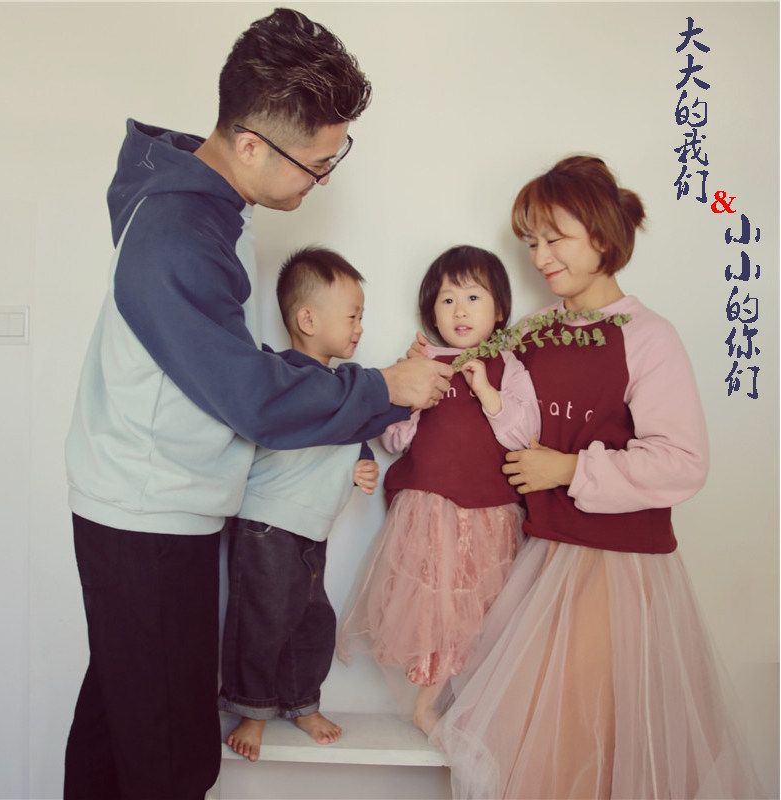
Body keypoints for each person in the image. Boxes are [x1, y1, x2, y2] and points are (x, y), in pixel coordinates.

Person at [63, 9, 452, 800]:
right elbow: (250, 397)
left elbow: (227, 367)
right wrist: (380, 388)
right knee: (171, 760)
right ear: (250, 145)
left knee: (118, 726)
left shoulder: (209, 207)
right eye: (317, 163)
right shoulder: (179, 233)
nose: (323, 180)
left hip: (148, 503)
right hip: (147, 516)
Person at [428, 156, 765, 799]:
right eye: (532, 241)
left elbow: (683, 461)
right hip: (540, 554)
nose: (539, 256)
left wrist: (568, 469)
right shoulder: (533, 334)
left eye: (555, 238)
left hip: (614, 567)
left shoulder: (648, 336)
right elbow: (489, 415)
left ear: (603, 237)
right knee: (537, 750)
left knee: (584, 751)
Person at [338, 245, 540, 734]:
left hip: (489, 511)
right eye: (447, 300)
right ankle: (426, 705)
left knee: (480, 610)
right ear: (431, 311)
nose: (460, 310)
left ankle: (466, 707)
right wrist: (412, 401)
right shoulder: (423, 362)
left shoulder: (509, 366)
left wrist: (487, 391)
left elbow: (524, 434)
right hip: (430, 509)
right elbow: (394, 440)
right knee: (435, 607)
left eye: (473, 297)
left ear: (499, 310)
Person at [219, 246, 391, 761]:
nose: (360, 326)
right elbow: (300, 425)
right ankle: (252, 709)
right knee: (261, 619)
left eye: (362, 316)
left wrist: (362, 463)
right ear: (308, 319)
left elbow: (347, 433)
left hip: (310, 530)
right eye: (352, 315)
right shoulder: (284, 377)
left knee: (311, 621)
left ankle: (301, 702)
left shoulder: (339, 389)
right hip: (267, 524)